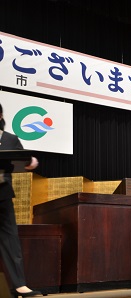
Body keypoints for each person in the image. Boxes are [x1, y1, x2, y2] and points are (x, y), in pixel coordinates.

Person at [0, 103, 42, 297]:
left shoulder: (9, 138)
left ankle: (20, 285)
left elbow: (25, 160)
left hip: (2, 194)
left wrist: (31, 162)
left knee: (10, 240)